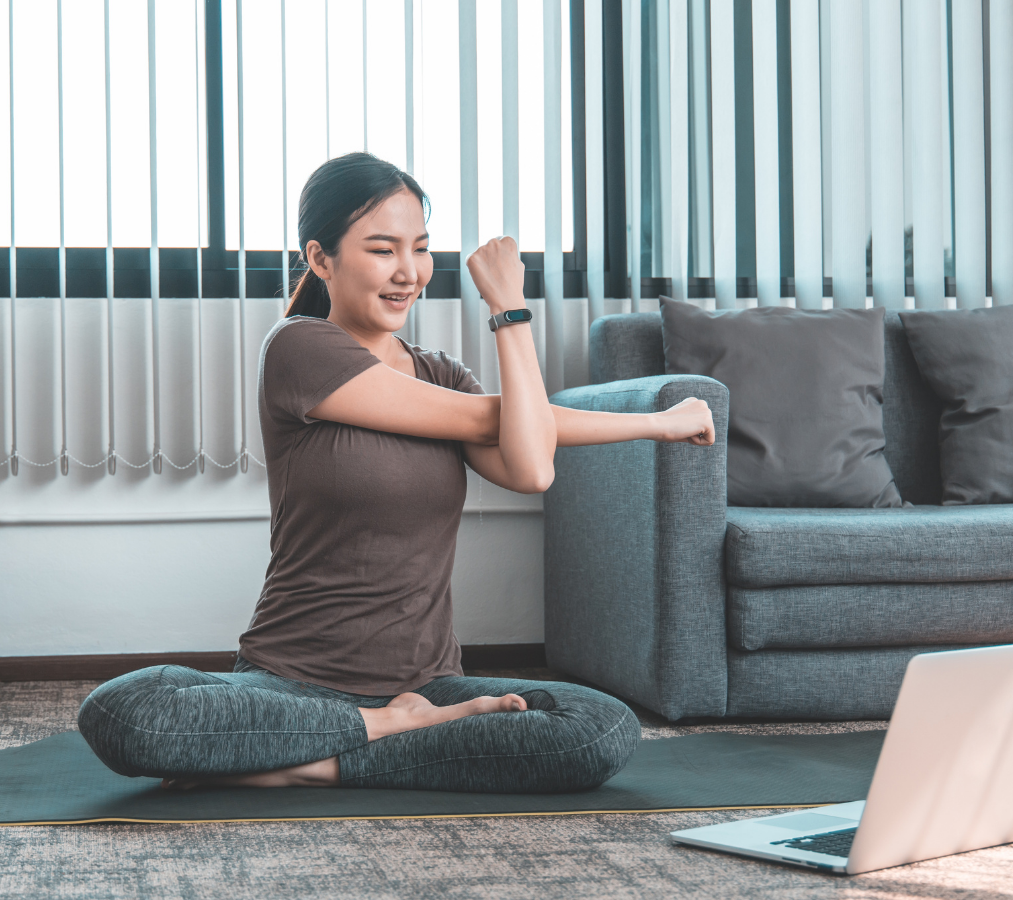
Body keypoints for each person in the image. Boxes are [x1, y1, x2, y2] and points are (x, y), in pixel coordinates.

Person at [77, 152, 715, 793]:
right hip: (290, 682)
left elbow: (530, 465)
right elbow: (492, 419)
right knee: (129, 712)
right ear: (320, 259)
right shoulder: (299, 349)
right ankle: (385, 729)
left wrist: (509, 307)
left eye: (420, 248)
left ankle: (309, 759)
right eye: (382, 250)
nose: (408, 273)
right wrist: (656, 422)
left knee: (598, 726)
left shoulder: (442, 374)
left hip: (430, 685)